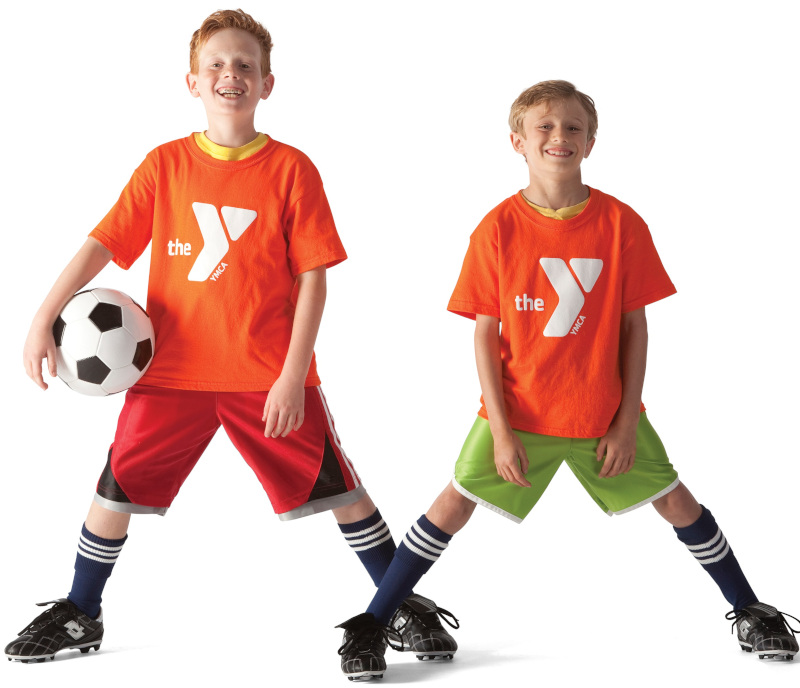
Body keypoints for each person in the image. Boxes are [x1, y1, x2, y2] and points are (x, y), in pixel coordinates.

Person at [5, 8, 454, 665]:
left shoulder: (291, 170)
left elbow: (313, 281)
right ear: (192, 82)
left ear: (267, 84)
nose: (230, 74)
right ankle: (81, 610)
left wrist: (292, 373)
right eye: (216, 64)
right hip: (170, 376)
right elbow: (103, 243)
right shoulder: (164, 165)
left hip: (265, 375)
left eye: (245, 64)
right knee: (115, 489)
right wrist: (42, 316)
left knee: (343, 494)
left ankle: (399, 607)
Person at [334, 80, 798, 680]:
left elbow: (636, 329)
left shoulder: (620, 222)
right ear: (517, 142)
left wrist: (627, 420)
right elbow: (482, 335)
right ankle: (373, 623)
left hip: (602, 413)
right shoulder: (497, 228)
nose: (560, 137)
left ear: (592, 141)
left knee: (677, 500)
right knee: (452, 503)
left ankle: (751, 610)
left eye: (573, 128)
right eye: (545, 128)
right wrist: (500, 431)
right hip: (520, 415)